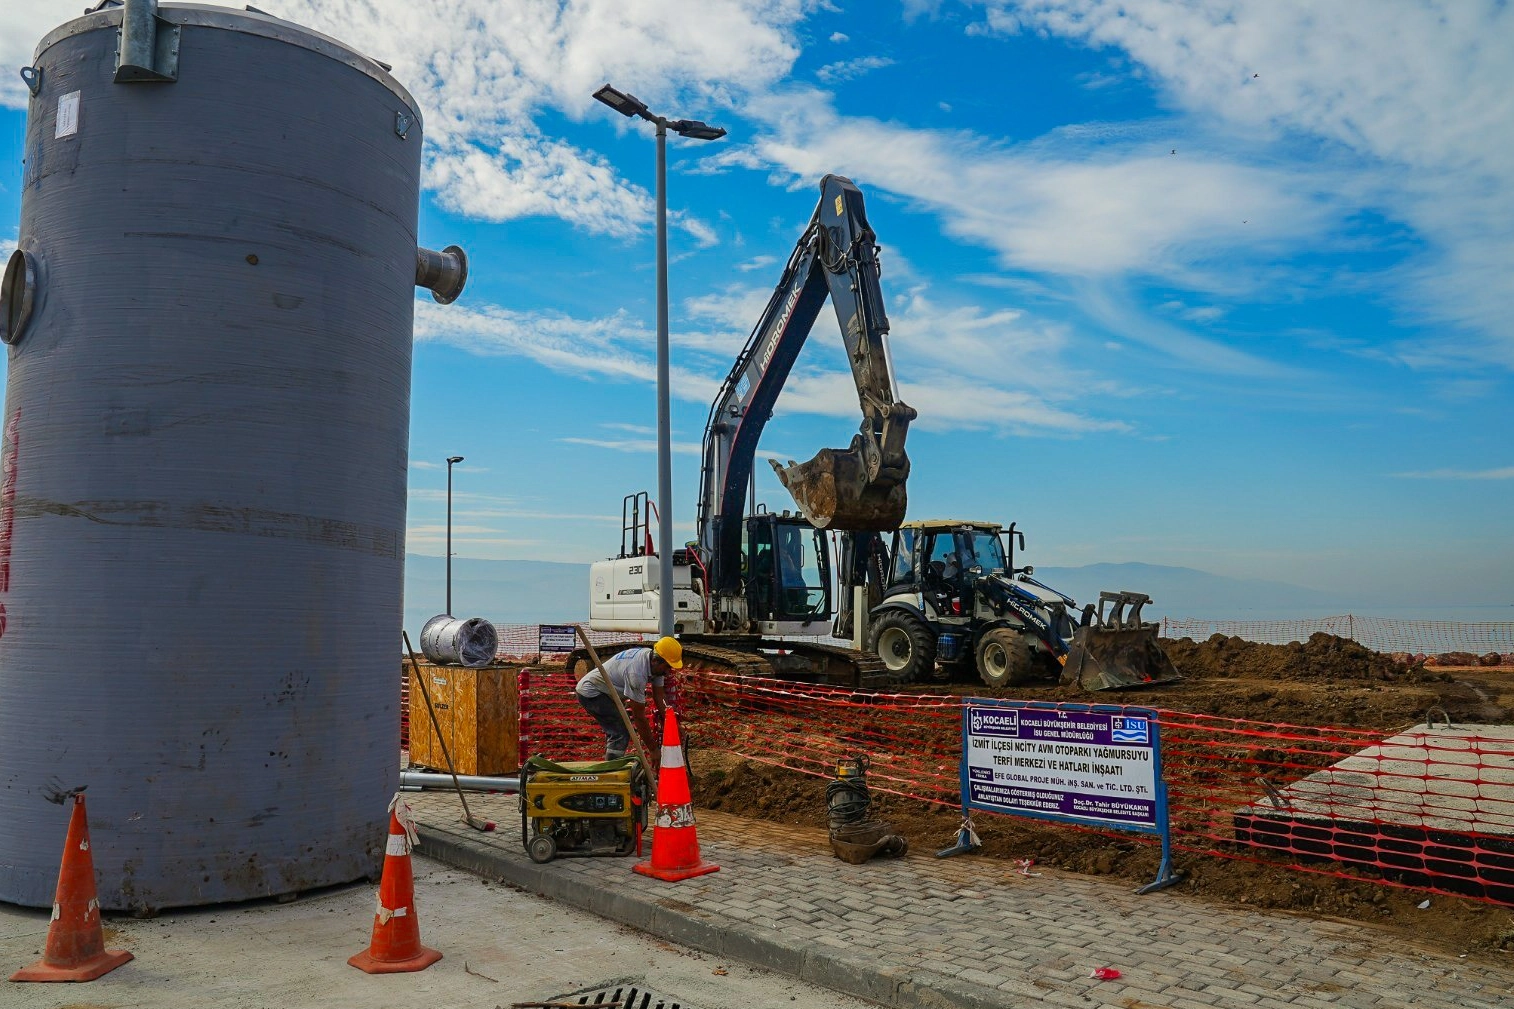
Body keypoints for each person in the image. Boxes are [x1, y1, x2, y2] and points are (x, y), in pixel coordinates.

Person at [574, 636, 680, 762]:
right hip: (592, 692)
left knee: (616, 728)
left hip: (608, 693)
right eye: (667, 667)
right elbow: (639, 717)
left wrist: (673, 724)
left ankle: (611, 760)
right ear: (656, 661)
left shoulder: (653, 663)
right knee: (620, 731)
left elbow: (659, 697)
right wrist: (653, 750)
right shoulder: (636, 673)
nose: (668, 672)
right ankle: (612, 771)